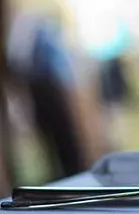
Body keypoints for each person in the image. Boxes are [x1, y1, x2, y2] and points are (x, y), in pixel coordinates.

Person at [6, 10, 85, 179]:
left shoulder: (24, 35)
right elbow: (63, 71)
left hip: (38, 91)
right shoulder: (43, 35)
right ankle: (70, 174)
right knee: (64, 141)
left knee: (53, 142)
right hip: (49, 91)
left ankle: (62, 174)